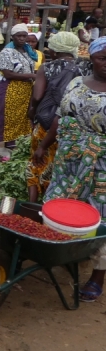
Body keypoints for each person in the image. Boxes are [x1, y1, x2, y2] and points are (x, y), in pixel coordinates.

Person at [44, 37, 106, 302]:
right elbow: (60, 115)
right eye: (103, 56)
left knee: (98, 215)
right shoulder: (76, 82)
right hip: (68, 160)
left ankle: (97, 276)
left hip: (100, 165)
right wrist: (43, 145)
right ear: (90, 57)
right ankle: (67, 254)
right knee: (63, 205)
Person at [26, 31, 90, 203]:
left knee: (37, 161)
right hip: (71, 126)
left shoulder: (46, 68)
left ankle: (32, 203)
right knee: (60, 166)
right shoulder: (85, 68)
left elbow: (37, 97)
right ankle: (54, 202)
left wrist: (32, 112)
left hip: (46, 124)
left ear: (54, 51)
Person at [0, 24, 36, 160]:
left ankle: (11, 145)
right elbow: (8, 74)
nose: (21, 39)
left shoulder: (27, 51)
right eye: (18, 36)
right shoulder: (6, 52)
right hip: (11, 88)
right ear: (12, 37)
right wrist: (32, 76)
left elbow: (28, 69)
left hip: (24, 90)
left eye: (24, 36)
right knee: (3, 118)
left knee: (19, 118)